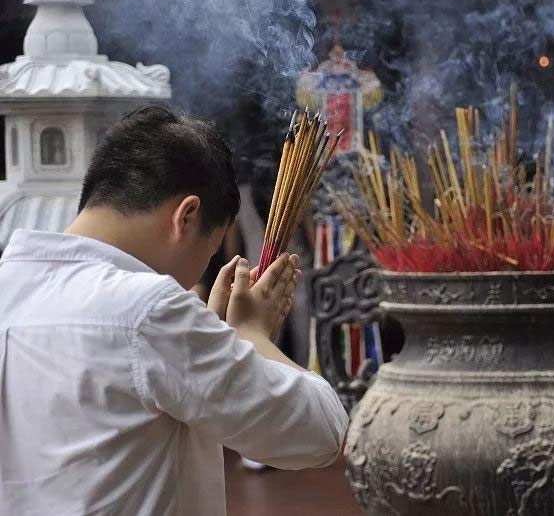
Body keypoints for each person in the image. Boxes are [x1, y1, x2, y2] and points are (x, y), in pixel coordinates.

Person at [0, 106, 349, 515]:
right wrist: (250, 335)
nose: (206, 264)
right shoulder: (148, 310)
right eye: (212, 247)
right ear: (186, 216)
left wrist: (214, 338)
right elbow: (321, 433)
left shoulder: (11, 285)